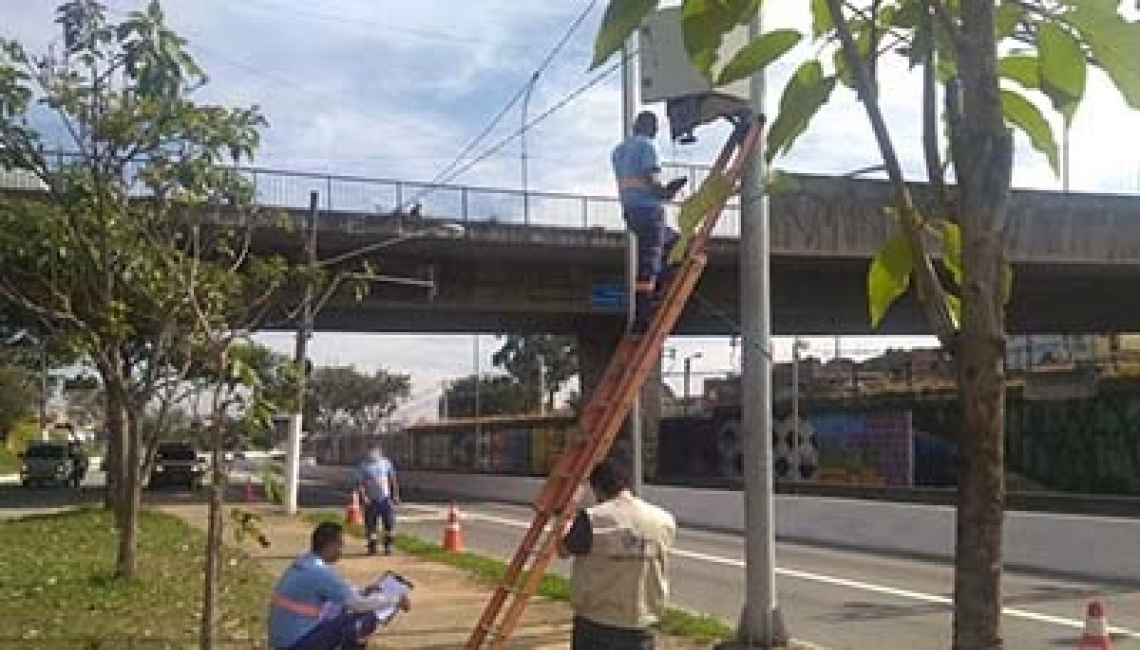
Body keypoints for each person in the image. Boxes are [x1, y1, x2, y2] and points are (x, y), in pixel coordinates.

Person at [559, 459, 677, 650]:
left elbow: (563, 550)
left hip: (596, 621)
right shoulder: (664, 520)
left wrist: (564, 523)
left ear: (597, 488)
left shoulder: (593, 518)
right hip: (641, 621)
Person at [267, 522, 411, 650]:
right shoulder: (320, 572)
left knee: (344, 612)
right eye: (340, 545)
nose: (342, 550)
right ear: (330, 545)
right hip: (297, 642)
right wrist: (395, 599)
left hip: (281, 640)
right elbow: (358, 605)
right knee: (366, 617)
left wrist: (362, 592)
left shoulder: (304, 562)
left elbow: (339, 595)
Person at [611, 111, 688, 333]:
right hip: (650, 211)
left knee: (675, 243)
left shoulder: (618, 151)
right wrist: (668, 191)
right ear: (651, 127)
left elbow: (632, 181)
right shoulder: (647, 147)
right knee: (650, 263)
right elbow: (651, 182)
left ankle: (657, 289)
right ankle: (643, 316)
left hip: (631, 212)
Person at [356, 445, 400, 556]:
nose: (372, 454)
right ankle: (372, 547)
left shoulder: (386, 463)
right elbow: (360, 483)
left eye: (375, 452)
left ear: (379, 452)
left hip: (385, 499)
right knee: (371, 525)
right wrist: (364, 496)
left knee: (389, 524)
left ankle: (388, 546)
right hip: (371, 500)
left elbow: (392, 479)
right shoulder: (363, 466)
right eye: (370, 452)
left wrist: (395, 495)